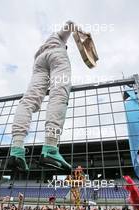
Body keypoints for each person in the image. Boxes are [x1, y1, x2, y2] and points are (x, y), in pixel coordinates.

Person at [8, 21, 87, 172]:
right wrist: (83, 34)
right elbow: (70, 23)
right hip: (57, 56)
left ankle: (16, 150)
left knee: (28, 101)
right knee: (59, 94)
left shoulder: (41, 48)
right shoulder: (58, 40)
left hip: (38, 63)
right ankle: (50, 148)